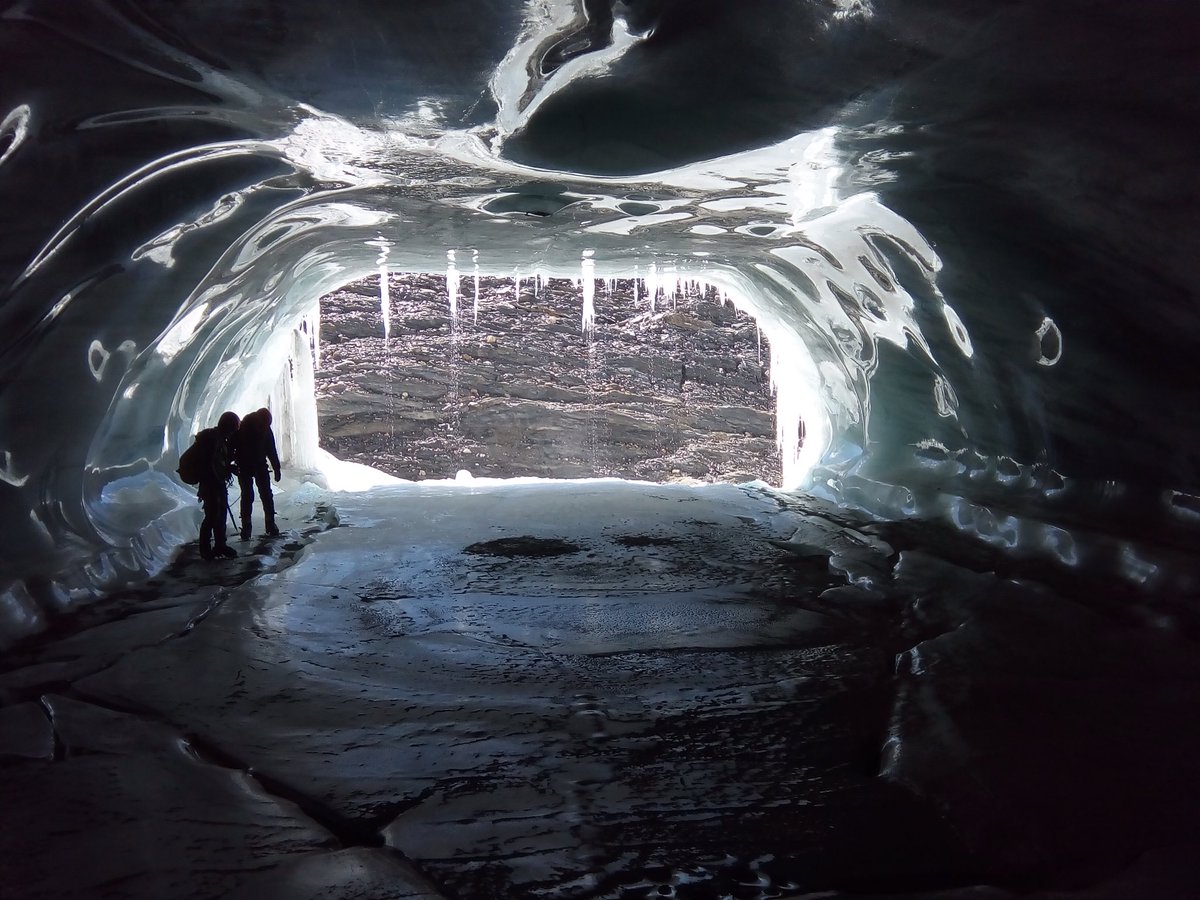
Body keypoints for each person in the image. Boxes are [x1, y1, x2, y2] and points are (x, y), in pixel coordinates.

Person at [197, 411, 240, 560]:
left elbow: (219, 463)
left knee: (220, 515)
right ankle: (206, 549)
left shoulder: (219, 439)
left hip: (217, 482)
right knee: (212, 516)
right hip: (211, 484)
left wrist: (228, 469)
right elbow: (210, 464)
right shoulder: (213, 440)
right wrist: (220, 475)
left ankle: (219, 545)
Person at [235, 407, 282, 539]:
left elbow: (271, 449)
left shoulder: (254, 426)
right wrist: (276, 468)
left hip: (251, 466)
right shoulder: (245, 427)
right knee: (260, 495)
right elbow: (271, 449)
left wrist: (277, 468)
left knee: (251, 495)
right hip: (250, 466)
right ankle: (264, 525)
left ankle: (250, 527)